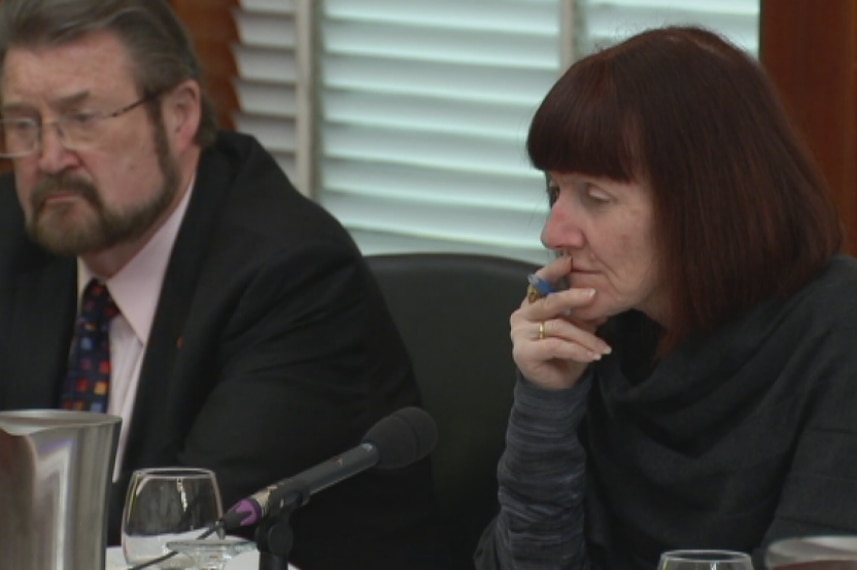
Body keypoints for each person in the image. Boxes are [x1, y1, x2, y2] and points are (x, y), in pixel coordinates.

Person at [0, 1, 452, 568]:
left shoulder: (294, 274)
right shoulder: (17, 238)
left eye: (82, 119)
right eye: (22, 124)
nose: (48, 156)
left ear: (179, 115)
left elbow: (180, 525)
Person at [474, 25, 857, 570]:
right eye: (555, 191)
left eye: (596, 197)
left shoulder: (838, 330)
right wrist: (546, 405)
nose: (553, 232)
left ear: (705, 201)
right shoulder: (606, 327)